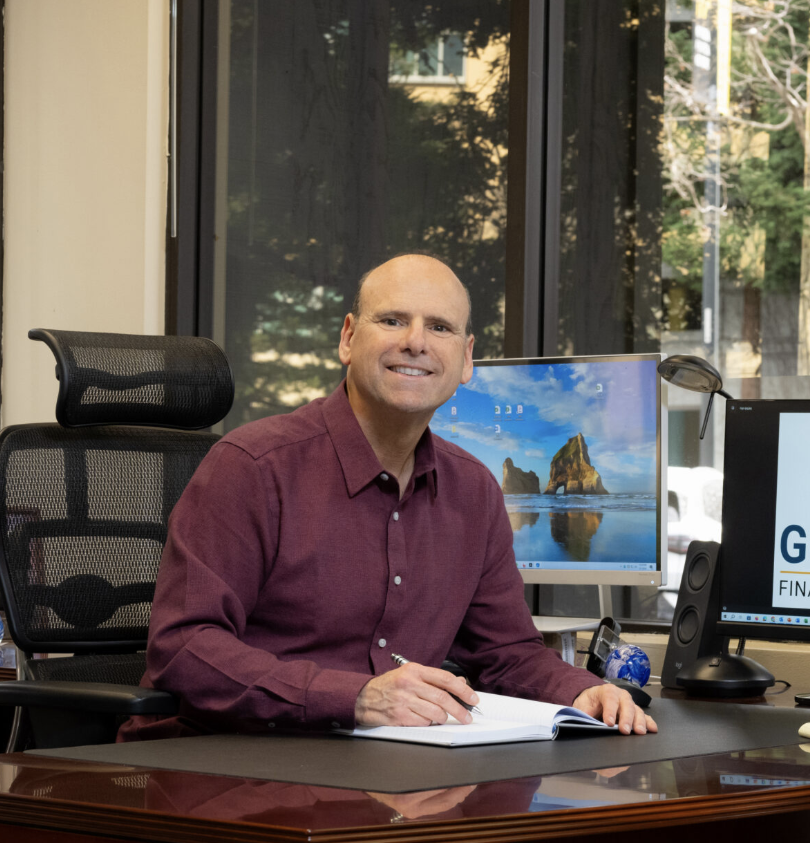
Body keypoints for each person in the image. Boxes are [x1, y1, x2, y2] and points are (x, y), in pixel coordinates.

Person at [123, 253, 654, 740]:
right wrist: (352, 697)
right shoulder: (252, 468)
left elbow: (505, 652)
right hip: (225, 765)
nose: (416, 343)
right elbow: (184, 648)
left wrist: (579, 691)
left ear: (466, 359)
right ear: (349, 338)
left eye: (440, 328)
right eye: (393, 320)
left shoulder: (473, 491)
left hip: (384, 769)